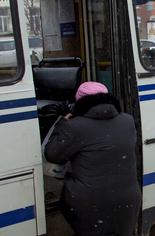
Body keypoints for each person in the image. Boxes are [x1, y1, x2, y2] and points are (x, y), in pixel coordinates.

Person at [45, 82, 141, 236]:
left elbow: (52, 154)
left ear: (79, 102)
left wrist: (63, 121)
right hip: (127, 200)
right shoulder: (127, 121)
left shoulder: (75, 126)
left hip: (89, 204)